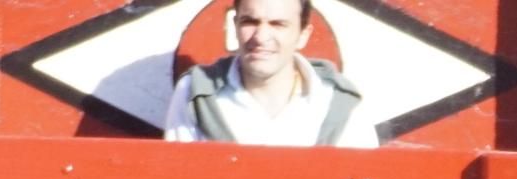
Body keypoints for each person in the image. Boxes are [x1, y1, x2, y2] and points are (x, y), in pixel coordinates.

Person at [163, 0, 380, 148]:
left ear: (303, 35)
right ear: (235, 25)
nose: (261, 37)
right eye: (250, 22)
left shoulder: (340, 103)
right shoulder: (196, 93)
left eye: (278, 24)